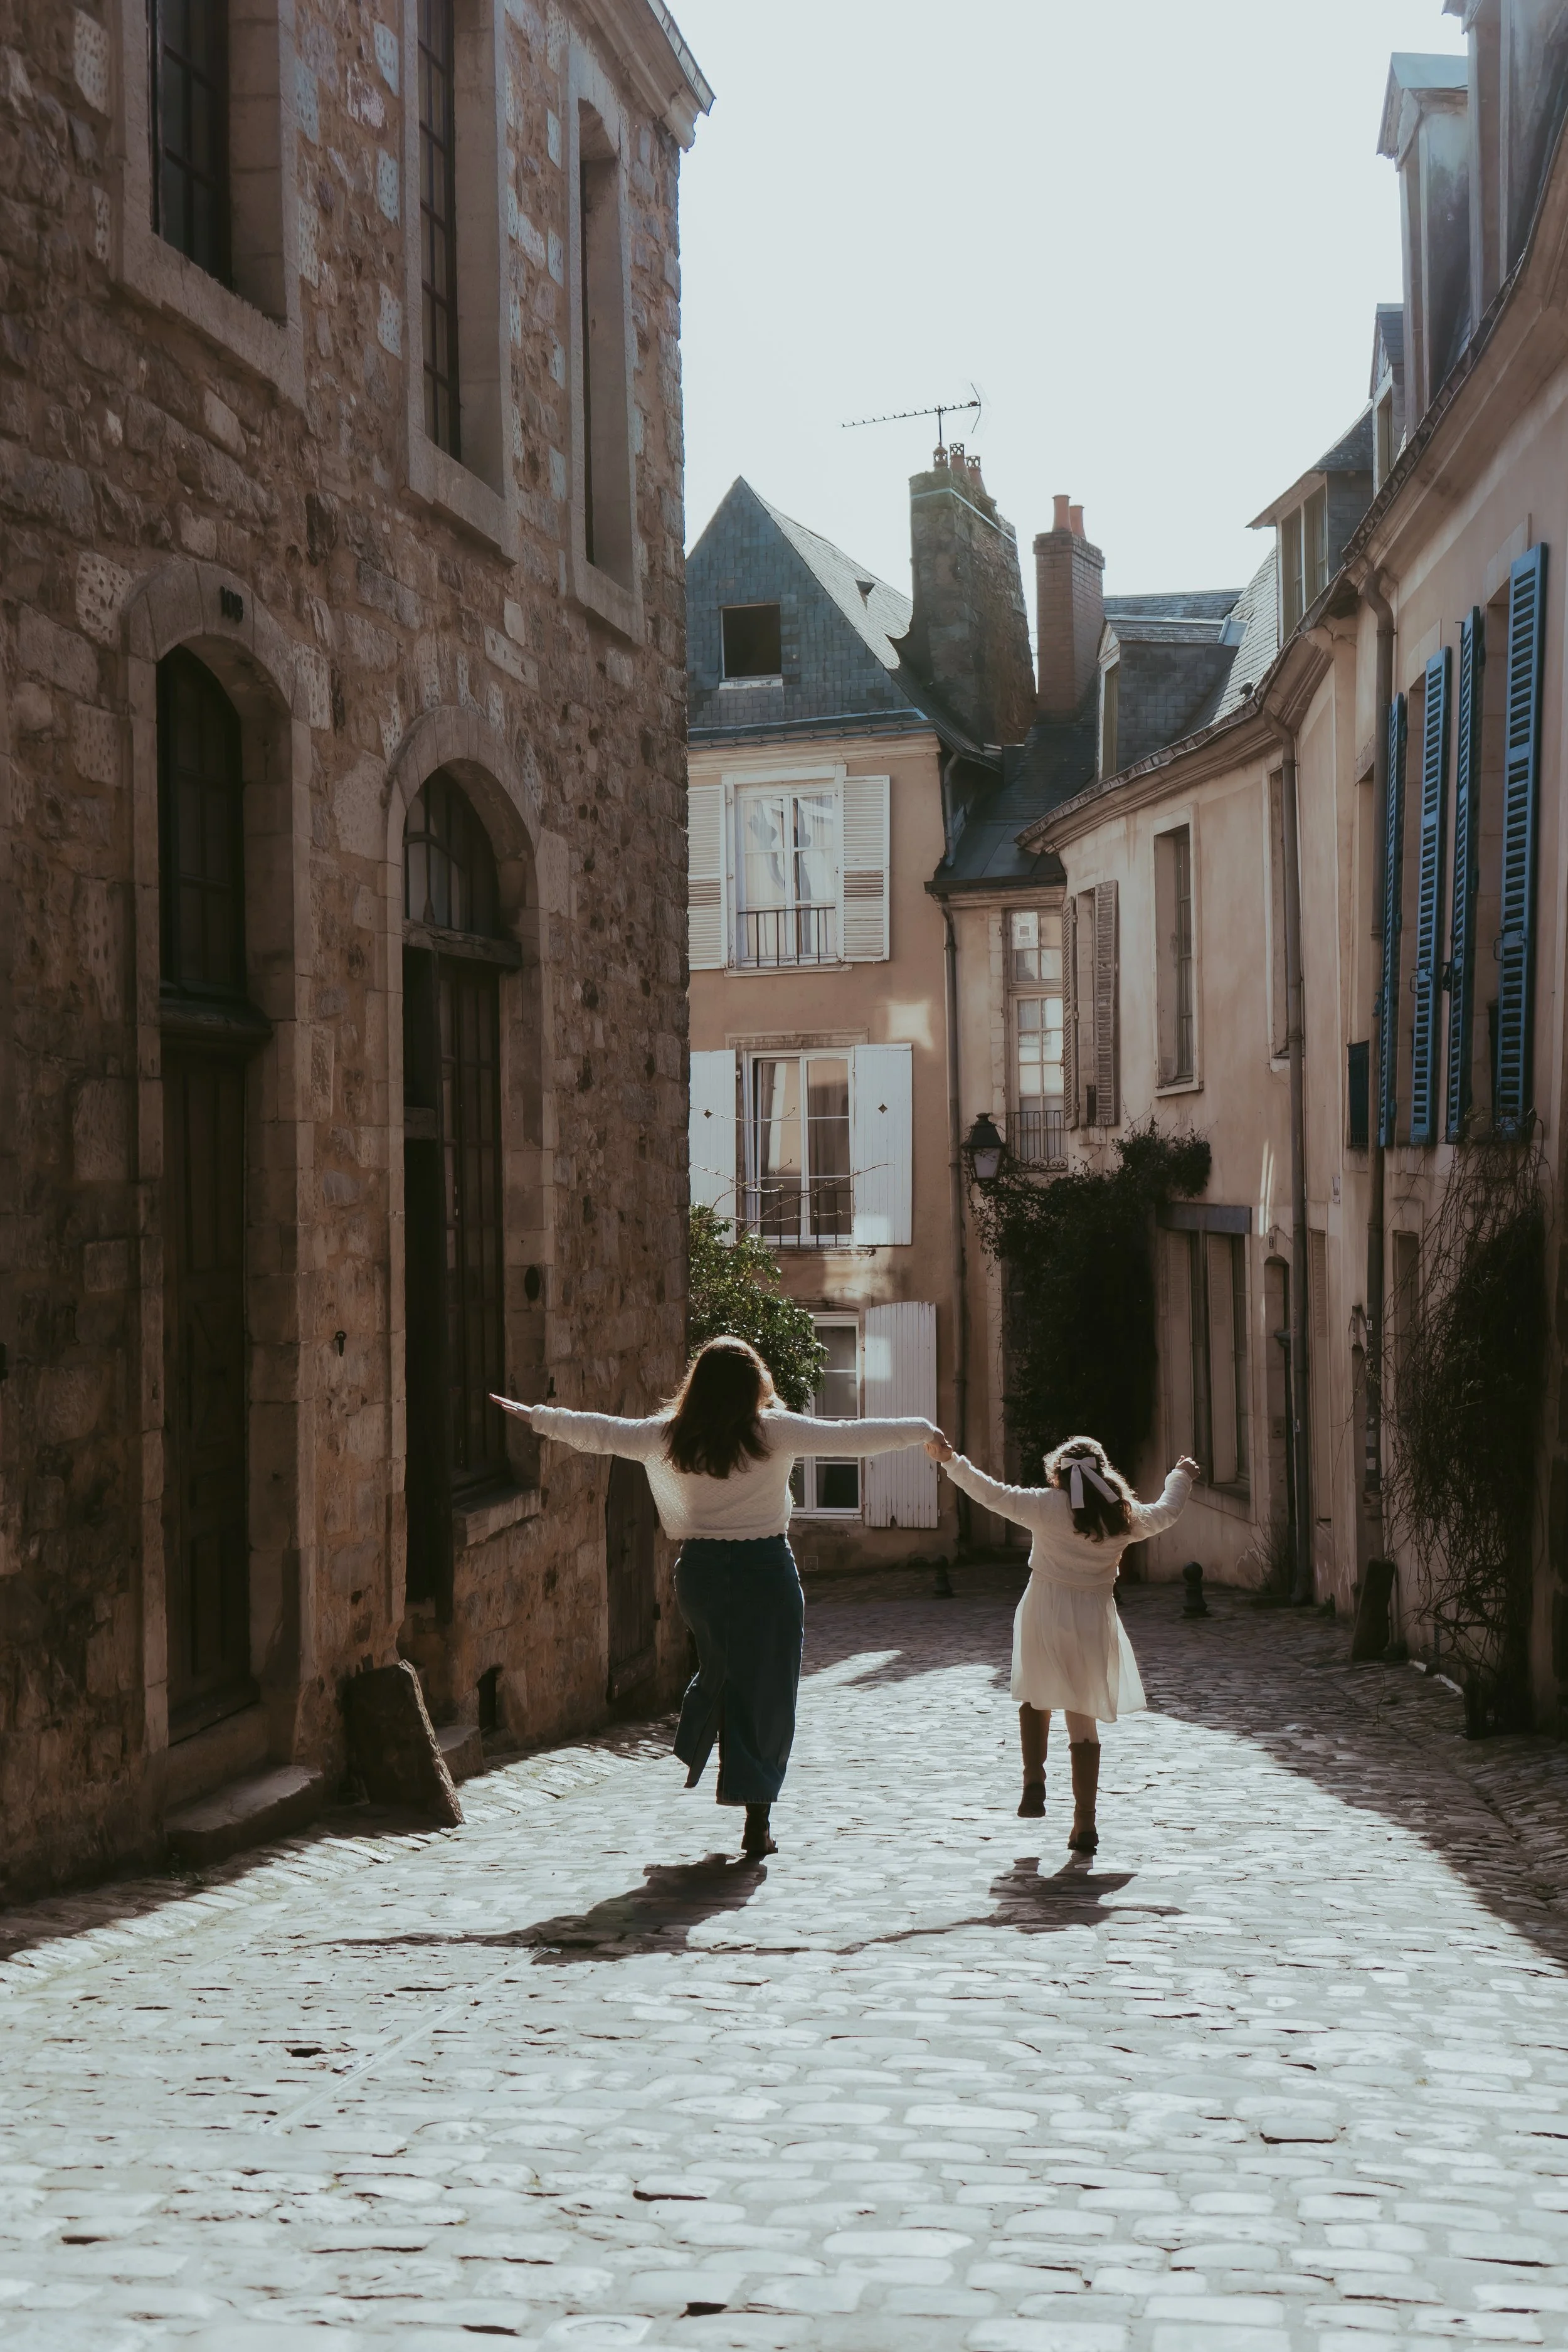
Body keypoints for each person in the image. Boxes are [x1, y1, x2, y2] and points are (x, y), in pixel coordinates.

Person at [493, 1338, 941, 1860]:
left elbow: (599, 1433)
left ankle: (701, 1744)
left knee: (723, 1673)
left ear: (698, 1384)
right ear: (755, 1384)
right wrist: (920, 1431)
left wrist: (537, 1416)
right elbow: (850, 1437)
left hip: (703, 1573)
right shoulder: (772, 1430)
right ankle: (757, 1818)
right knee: (768, 1692)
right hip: (766, 1571)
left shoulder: (670, 1435)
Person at [925, 1431, 1195, 1852]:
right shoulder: (1121, 1516)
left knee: (1036, 1692)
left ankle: (1034, 1777)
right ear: (1104, 1473)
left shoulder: (1046, 1506)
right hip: (1093, 1614)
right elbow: (1166, 1512)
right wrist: (1180, 1475)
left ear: (1059, 1473)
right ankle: (1084, 1824)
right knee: (1082, 1714)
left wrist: (950, 1460)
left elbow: (990, 1493)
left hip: (1044, 1607)